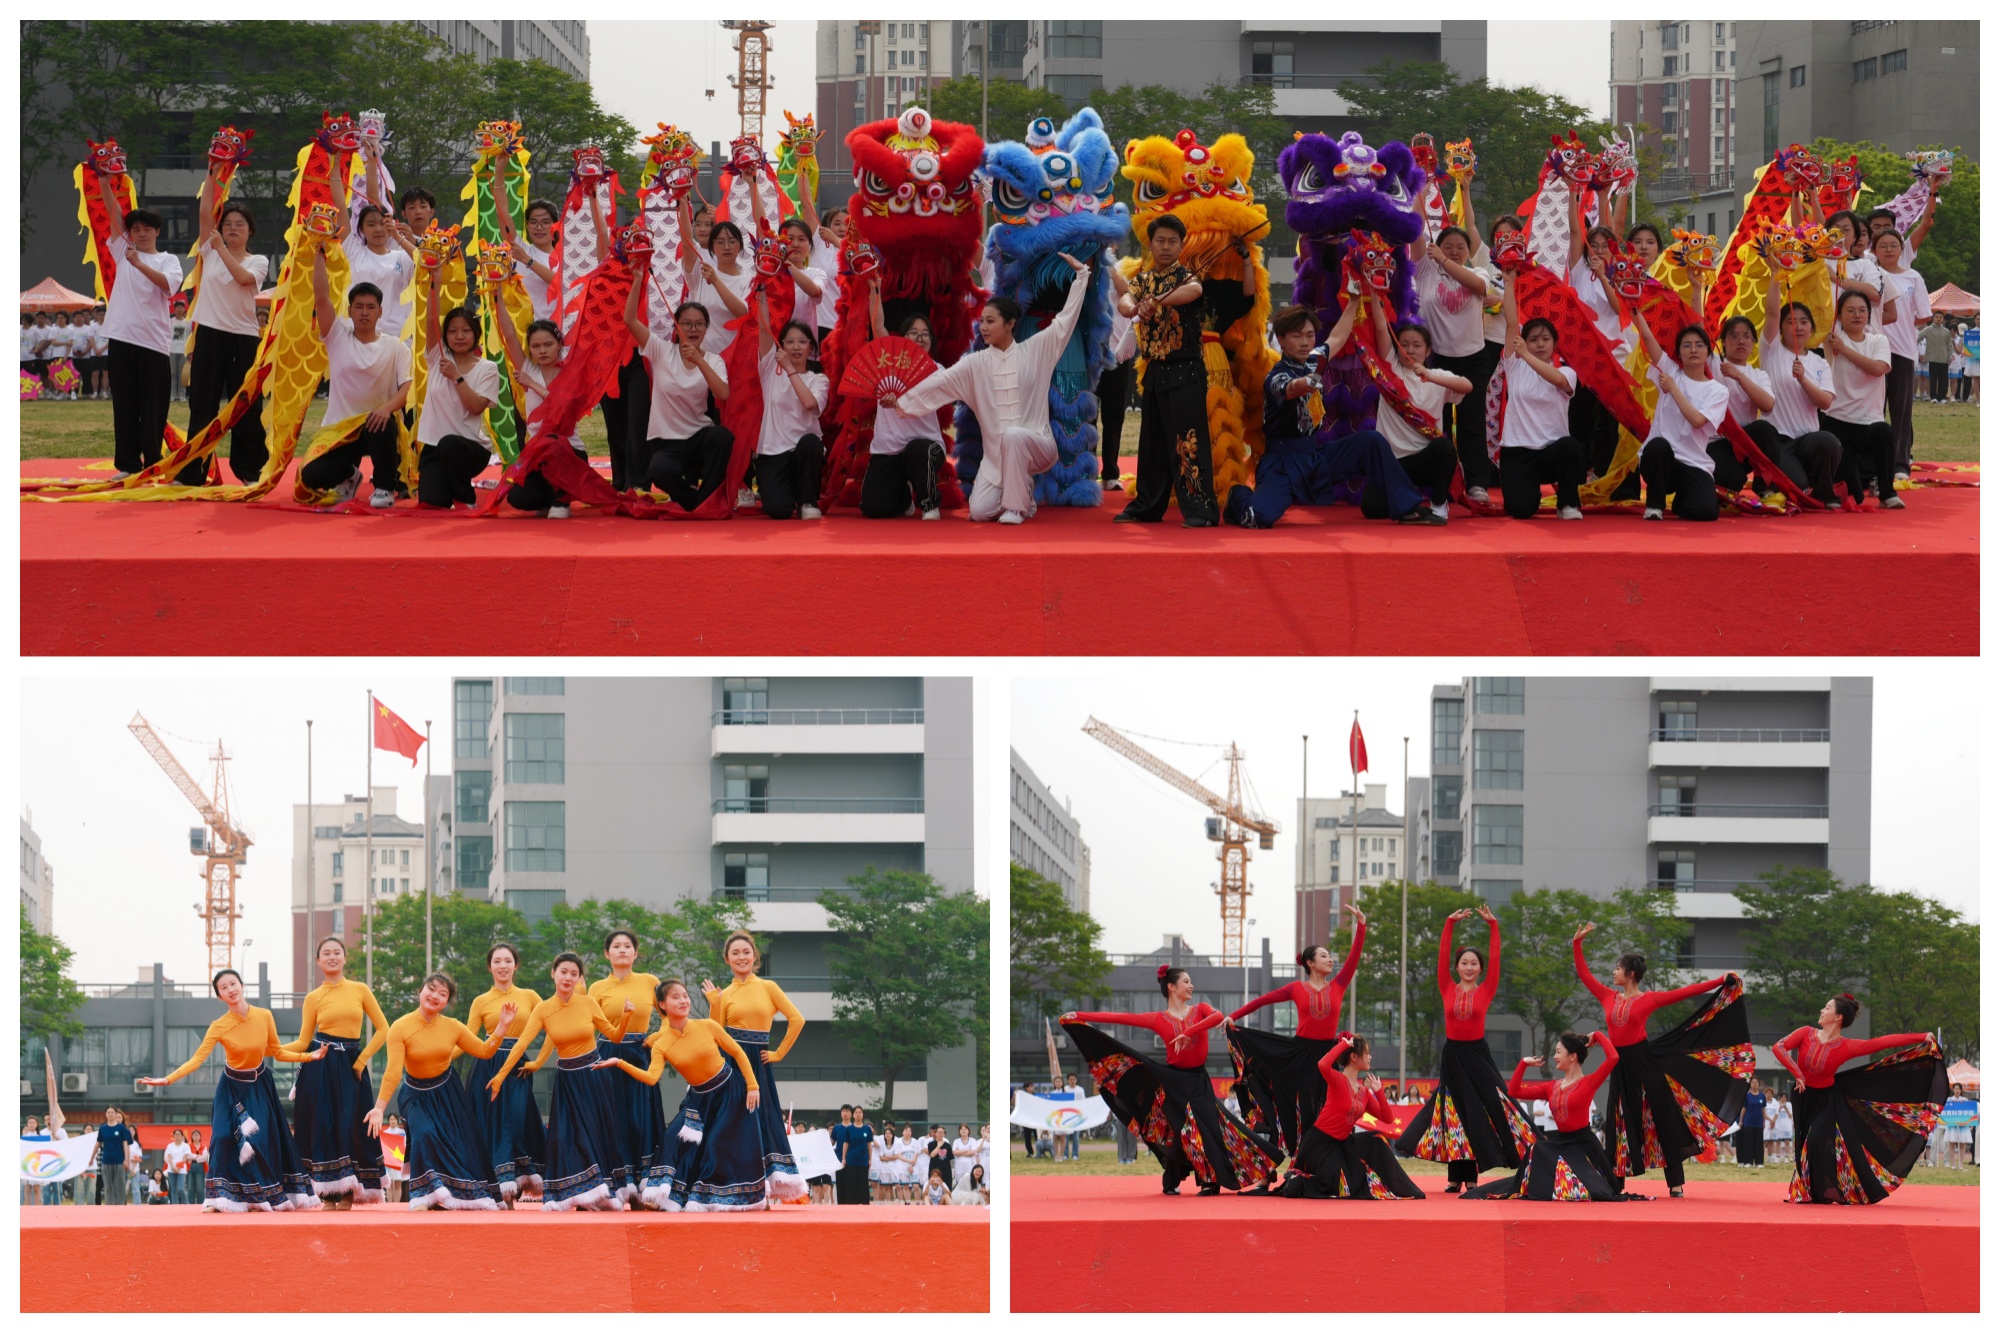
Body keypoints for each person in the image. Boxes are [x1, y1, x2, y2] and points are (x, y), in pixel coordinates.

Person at [883, 253, 1092, 525]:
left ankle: (1015, 508)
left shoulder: (1036, 349)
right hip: (995, 461)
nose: (983, 327)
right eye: (981, 321)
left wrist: (1081, 277)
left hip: (1038, 445)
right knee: (979, 512)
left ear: (1010, 324)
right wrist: (900, 401)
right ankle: (1023, 491)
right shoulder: (975, 364)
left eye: (990, 321)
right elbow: (939, 384)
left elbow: (1065, 321)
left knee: (1014, 435)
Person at [1062, 965, 1280, 1196]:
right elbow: (1120, 1017)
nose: (1191, 986)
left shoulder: (1200, 1009)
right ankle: (1188, 1180)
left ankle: (1212, 1178)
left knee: (1213, 1128)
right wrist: (1079, 1016)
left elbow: (1217, 1017)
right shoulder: (1158, 1019)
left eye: (1190, 982)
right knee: (1182, 1131)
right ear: (1172, 987)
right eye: (1186, 981)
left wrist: (1188, 1032)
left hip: (1198, 1081)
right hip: (1173, 1082)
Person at [1572, 923, 1750, 1197]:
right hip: (1618, 1065)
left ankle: (1675, 1183)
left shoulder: (1648, 999)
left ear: (1630, 974)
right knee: (1619, 1121)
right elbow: (1585, 976)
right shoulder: (1608, 996)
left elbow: (1687, 991)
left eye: (1618, 968)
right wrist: (1577, 944)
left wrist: (1719, 980)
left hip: (1645, 1062)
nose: (1613, 972)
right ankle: (1616, 1183)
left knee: (1662, 1119)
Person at [1224, 301, 1434, 528]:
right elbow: (1292, 388)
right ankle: (1237, 495)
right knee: (1257, 518)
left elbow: (1338, 337)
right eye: (1297, 336)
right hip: (1282, 465)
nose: (1305, 342)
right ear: (1281, 340)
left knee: (1371, 441)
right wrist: (1307, 382)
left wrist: (1353, 300)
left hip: (1315, 456)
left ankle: (1408, 508)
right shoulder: (1276, 376)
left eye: (1309, 335)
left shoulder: (1314, 360)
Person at [136, 968, 325, 1211]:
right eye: (224, 988)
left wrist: (310, 1056)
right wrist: (168, 1079)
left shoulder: (264, 1015)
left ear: (241, 985)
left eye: (233, 984)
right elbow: (197, 1059)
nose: (230, 990)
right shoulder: (219, 1025)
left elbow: (277, 1052)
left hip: (259, 1087)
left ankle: (259, 1195)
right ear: (219, 996)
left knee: (259, 1140)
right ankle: (218, 1199)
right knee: (222, 1138)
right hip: (231, 1088)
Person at [595, 978, 769, 1211]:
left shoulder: (707, 1025)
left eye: (685, 996)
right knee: (671, 1138)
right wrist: (620, 1062)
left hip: (730, 1093)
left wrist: (753, 1085)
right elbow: (651, 1078)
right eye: (675, 997)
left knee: (716, 1145)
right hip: (699, 1099)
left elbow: (737, 1052)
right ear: (662, 1005)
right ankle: (664, 1197)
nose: (683, 1001)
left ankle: (746, 1197)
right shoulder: (662, 1044)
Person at [1397, 905, 1532, 1192]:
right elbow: (1441, 954)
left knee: (1482, 1110)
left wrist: (1494, 926)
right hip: (1453, 1056)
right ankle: (1455, 1177)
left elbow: (1497, 957)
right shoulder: (1446, 987)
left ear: (1480, 969)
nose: (1469, 967)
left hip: (1478, 1056)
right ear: (1456, 967)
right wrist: (1449, 923)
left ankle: (1475, 1175)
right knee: (1453, 1114)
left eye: (1474, 964)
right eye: (1464, 963)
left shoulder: (1486, 989)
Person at [485, 951, 632, 1210]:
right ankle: (574, 1194)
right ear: (553, 974)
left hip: (594, 1076)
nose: (568, 977)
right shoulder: (543, 1009)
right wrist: (500, 1075)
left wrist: (626, 1017)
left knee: (595, 1134)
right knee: (564, 1138)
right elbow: (521, 1045)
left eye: (574, 974)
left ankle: (601, 1193)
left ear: (579, 978)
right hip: (567, 1082)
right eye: (563, 972)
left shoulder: (588, 1003)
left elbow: (614, 1036)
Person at [1114, 215, 1234, 526]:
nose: (1166, 247)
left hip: (1186, 371)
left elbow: (1193, 292)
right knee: (1152, 444)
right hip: (1155, 372)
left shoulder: (1187, 276)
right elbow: (1125, 302)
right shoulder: (1142, 280)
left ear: (1181, 246)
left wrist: (1156, 300)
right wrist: (1136, 307)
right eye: (1160, 241)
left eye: (1172, 241)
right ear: (1150, 244)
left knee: (1188, 442)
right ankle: (1147, 506)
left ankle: (1200, 510)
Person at [1226, 904, 1369, 1165]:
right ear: (1310, 963)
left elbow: (1354, 958)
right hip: (1299, 1054)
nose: (1330, 960)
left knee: (1328, 1107)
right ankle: (1297, 1160)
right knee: (1300, 1109)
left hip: (1328, 1055)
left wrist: (1361, 926)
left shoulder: (1338, 985)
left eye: (1330, 956)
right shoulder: (1296, 988)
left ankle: (1326, 1162)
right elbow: (1263, 1000)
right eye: (1324, 956)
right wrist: (1234, 1016)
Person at [1770, 994, 1943, 1205]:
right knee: (1803, 1144)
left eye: (1827, 1008)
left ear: (1838, 1017)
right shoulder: (1805, 1033)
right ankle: (1812, 1191)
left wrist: (1922, 1036)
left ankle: (1825, 1190)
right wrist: (1797, 1073)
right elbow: (1778, 1047)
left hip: (1827, 1101)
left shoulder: (1846, 1046)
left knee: (1815, 1141)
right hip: (1802, 1096)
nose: (1822, 1011)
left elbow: (1882, 1042)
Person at [365, 972, 512, 1210]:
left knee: (457, 1144)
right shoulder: (400, 1027)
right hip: (415, 1095)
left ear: (446, 1003)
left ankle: (449, 1195)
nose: (435, 996)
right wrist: (379, 1107)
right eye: (431, 989)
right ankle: (422, 1196)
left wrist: (502, 1027)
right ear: (420, 991)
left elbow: (485, 1051)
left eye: (442, 994)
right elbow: (392, 1072)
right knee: (424, 1133)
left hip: (447, 1092)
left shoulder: (453, 1027)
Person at [280, 937, 392, 1207]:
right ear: (318, 961)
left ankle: (349, 1191)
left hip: (352, 1066)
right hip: (320, 1066)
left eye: (337, 952)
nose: (332, 957)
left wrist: (361, 1061)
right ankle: (328, 1194)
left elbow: (383, 1029)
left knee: (350, 1125)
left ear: (344, 958)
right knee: (322, 1126)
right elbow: (303, 1041)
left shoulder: (360, 989)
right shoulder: (313, 997)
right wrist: (273, 1049)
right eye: (326, 953)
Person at [1462, 1031, 1636, 1202]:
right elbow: (1514, 1091)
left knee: (1593, 1189)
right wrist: (1523, 1064)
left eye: (1558, 1052)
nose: (1554, 1056)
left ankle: (1570, 1185)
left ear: (1572, 1056)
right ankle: (1558, 1186)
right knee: (1537, 1149)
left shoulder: (1588, 1082)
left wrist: (1597, 1035)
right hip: (1561, 1143)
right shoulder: (1551, 1087)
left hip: (1583, 1147)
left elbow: (1613, 1057)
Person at [701, 929, 808, 1202]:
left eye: (746, 952)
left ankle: (764, 1188)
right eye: (735, 953)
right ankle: (734, 1186)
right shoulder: (724, 994)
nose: (741, 957)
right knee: (733, 1122)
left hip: (759, 1063)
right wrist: (714, 1005)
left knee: (762, 1119)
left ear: (755, 956)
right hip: (733, 1064)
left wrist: (778, 1053)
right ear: (727, 959)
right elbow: (715, 1034)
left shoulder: (768, 987)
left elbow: (797, 1019)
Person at [300, 247, 413, 501]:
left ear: (380, 312)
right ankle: (349, 476)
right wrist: (319, 251)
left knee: (383, 423)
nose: (364, 312)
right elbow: (321, 297)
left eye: (371, 307)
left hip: (378, 427)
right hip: (340, 430)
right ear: (349, 311)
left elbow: (407, 387)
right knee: (311, 475)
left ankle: (384, 488)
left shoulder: (395, 346)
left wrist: (387, 409)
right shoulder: (337, 337)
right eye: (359, 307)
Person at [94, 180, 183, 478]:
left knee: (153, 407)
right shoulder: (123, 250)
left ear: (157, 231)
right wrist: (104, 180)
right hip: (121, 338)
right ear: (129, 234)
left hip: (154, 344)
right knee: (125, 406)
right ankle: (127, 465)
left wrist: (139, 264)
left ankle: (152, 462)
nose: (141, 234)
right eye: (135, 229)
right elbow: (113, 211)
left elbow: (168, 286)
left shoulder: (168, 260)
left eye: (146, 229)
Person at [622, 285, 734, 513]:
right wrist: (637, 280)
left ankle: (707, 500)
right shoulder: (661, 351)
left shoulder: (713, 360)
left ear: (706, 329)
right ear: (676, 327)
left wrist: (700, 361)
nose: (693, 329)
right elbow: (630, 320)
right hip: (667, 441)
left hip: (699, 436)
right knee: (659, 471)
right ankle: (694, 502)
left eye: (699, 324)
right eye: (687, 324)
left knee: (722, 437)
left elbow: (723, 394)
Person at [186, 185, 269, 484]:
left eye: (239, 225)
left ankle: (250, 472)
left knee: (245, 406)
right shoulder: (209, 250)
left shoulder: (258, 261)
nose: (233, 229)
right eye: (228, 224)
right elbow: (204, 211)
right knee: (203, 404)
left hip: (243, 338)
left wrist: (221, 248)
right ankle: (192, 471)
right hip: (209, 334)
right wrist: (212, 170)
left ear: (250, 231)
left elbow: (244, 279)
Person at [1360, 300, 1468, 523]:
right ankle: (1409, 501)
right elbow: (1381, 328)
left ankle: (1438, 504)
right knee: (1372, 508)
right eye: (1404, 345)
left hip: (1424, 460)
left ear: (1427, 351)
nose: (1410, 350)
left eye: (1417, 345)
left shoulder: (1437, 377)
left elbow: (1468, 386)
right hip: (1393, 462)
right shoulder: (1390, 371)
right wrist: (1373, 290)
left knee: (1445, 448)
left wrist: (1430, 376)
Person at [1283, 1032, 1425, 1200]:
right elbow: (1323, 1064)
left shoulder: (1364, 1092)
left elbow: (1388, 1119)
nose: (1370, 1057)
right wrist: (1344, 1044)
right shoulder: (1338, 1080)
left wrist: (1379, 1092)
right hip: (1319, 1144)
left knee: (1377, 1139)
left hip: (1341, 1144)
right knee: (1336, 1186)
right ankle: (1299, 1181)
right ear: (1354, 1057)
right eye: (1367, 1052)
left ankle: (1400, 1188)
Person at [1414, 226, 1497, 496]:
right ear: (1435, 247)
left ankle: (1476, 483)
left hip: (1474, 360)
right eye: (1448, 246)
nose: (1454, 251)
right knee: (1438, 423)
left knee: (1472, 423)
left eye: (1461, 247)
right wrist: (1418, 193)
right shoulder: (1425, 270)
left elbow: (1479, 288)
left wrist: (1444, 259)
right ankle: (1443, 484)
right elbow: (1415, 227)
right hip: (1437, 358)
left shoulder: (1478, 272)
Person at [1749, 274, 1844, 505]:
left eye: (1803, 322)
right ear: (1781, 329)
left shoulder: (1819, 362)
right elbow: (1772, 312)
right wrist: (1776, 274)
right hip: (1780, 441)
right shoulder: (1772, 351)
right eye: (1791, 322)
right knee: (1796, 487)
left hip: (1807, 439)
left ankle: (1823, 493)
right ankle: (1778, 481)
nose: (1798, 327)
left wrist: (1804, 381)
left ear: (1811, 328)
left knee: (1829, 442)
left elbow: (1825, 402)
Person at [464, 942, 547, 1205]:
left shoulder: (530, 996)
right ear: (489, 967)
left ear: (516, 965)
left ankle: (517, 1181)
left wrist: (538, 1062)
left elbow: (554, 1026)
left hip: (518, 1068)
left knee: (517, 1123)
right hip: (487, 1067)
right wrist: (439, 1055)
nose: (503, 966)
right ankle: (502, 1191)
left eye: (508, 961)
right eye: (497, 961)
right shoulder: (480, 1001)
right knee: (491, 1127)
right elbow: (467, 1039)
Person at [857, 276, 947, 518]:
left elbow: (930, 399)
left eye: (925, 334)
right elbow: (878, 326)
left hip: (924, 447)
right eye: (913, 333)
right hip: (888, 449)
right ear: (902, 338)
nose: (920, 338)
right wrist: (875, 290)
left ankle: (929, 504)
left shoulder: (937, 370)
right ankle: (904, 495)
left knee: (918, 450)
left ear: (931, 341)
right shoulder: (887, 364)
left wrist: (900, 403)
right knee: (873, 508)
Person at [1495, 278, 1585, 520]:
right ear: (1524, 342)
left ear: (1555, 344)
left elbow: (1558, 381)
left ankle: (1568, 503)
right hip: (1517, 451)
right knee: (1521, 510)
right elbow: (1511, 324)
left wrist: (1526, 354)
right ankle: (1528, 489)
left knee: (1571, 447)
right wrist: (1509, 282)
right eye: (1533, 340)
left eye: (1545, 339)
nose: (1540, 344)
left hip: (1551, 451)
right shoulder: (1515, 365)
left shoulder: (1567, 372)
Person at [408, 283, 499, 511]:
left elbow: (476, 407)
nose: (459, 336)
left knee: (450, 444)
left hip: (469, 448)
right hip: (434, 447)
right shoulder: (437, 357)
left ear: (476, 334)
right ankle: (448, 487)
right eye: (452, 331)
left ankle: (465, 497)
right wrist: (435, 280)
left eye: (466, 331)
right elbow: (431, 319)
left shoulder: (487, 368)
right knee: (432, 501)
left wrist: (456, 377)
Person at [587, 928, 661, 1208]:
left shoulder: (650, 982)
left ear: (636, 952)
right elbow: (588, 1026)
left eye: (627, 946)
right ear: (606, 953)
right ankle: (612, 1189)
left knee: (640, 1119)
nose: (622, 950)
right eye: (616, 946)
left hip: (639, 1054)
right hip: (607, 1055)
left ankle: (643, 1191)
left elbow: (670, 1015)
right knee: (611, 1120)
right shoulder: (597, 988)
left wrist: (655, 1037)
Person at [1632, 317, 1728, 522]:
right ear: (1679, 353)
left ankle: (1682, 501)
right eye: (1687, 345)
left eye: (1699, 345)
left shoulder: (1717, 390)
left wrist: (1673, 389)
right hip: (1662, 460)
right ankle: (1654, 505)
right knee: (1658, 446)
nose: (1693, 349)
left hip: (1693, 462)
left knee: (1705, 512)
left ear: (1708, 352)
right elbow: (1648, 338)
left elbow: (1697, 420)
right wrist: (1635, 311)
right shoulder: (1671, 372)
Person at [1566, 197, 1634, 482]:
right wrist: (1573, 191)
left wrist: (1604, 275)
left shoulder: (1620, 275)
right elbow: (1575, 230)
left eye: (1606, 246)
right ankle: (1577, 475)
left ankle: (1607, 475)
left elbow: (1619, 310)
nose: (1599, 250)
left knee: (1609, 421)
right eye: (1594, 245)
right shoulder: (1579, 270)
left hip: (1614, 358)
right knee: (1580, 417)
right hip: (1583, 357)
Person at [751, 292, 830, 520]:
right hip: (772, 452)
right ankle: (789, 493)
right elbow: (764, 328)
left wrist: (790, 369)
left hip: (803, 451)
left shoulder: (818, 380)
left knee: (810, 442)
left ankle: (808, 501)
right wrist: (762, 293)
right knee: (778, 510)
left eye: (802, 342)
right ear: (781, 345)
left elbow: (810, 404)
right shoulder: (770, 368)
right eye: (790, 342)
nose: (796, 347)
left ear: (811, 347)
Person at [1821, 290, 1902, 509]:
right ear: (1839, 315)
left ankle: (1887, 493)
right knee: (1854, 498)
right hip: (1838, 422)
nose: (1857, 315)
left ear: (1868, 314)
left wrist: (1844, 350)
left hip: (1869, 422)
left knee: (1885, 432)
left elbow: (1878, 369)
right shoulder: (1831, 338)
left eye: (1862, 310)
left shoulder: (1878, 340)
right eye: (1850, 310)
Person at [1870, 228, 1924, 478]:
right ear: (1874, 250)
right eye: (1883, 245)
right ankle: (1873, 463)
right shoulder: (1868, 274)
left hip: (1903, 351)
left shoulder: (1913, 278)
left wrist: (1903, 327)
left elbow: (1923, 315)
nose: (1889, 249)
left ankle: (1900, 463)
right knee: (1873, 409)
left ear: (1902, 250)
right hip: (1872, 350)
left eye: (1894, 245)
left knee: (1901, 411)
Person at [1098, 249, 1136, 491]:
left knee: (1114, 417)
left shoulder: (1126, 268)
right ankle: (1086, 472)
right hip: (1090, 355)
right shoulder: (1086, 267)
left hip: (1117, 355)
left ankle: (1110, 474)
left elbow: (1129, 293)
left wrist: (1110, 266)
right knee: (1087, 418)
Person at [93, 1106, 137, 1207]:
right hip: (106, 1161)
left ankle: (120, 1206)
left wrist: (126, 1160)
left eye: (112, 1113)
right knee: (108, 1186)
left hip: (119, 1161)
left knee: (119, 1186)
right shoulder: (103, 1129)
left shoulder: (122, 1129)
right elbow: (98, 1143)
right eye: (108, 1112)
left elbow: (126, 1145)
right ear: (105, 1114)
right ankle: (109, 1206)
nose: (110, 1115)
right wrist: (91, 1157)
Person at [832, 1104, 870, 1205]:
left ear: (851, 1114)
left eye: (848, 1111)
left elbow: (868, 1144)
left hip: (852, 1160)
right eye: (843, 1111)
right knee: (841, 1184)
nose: (845, 1113)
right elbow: (831, 1143)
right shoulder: (836, 1128)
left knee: (853, 1184)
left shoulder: (855, 1128)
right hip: (840, 1160)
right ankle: (841, 1205)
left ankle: (854, 1204)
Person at [1921, 312, 1954, 403]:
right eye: (1937, 317)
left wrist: (1949, 356)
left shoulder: (1946, 331)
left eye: (1940, 317)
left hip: (1943, 359)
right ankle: (1933, 397)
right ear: (1933, 318)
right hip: (1932, 359)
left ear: (1943, 319)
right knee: (1933, 379)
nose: (1938, 319)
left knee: (1943, 380)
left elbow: (1949, 346)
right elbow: (1918, 338)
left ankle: (1942, 397)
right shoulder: (1928, 330)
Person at [1736, 1075, 1767, 1168]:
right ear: (1750, 1084)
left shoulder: (1762, 1096)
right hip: (1748, 1122)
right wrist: (1741, 1121)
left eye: (1756, 1082)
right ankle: (1748, 1162)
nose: (1754, 1084)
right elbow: (1744, 1109)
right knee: (1748, 1142)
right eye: (1753, 1082)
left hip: (1758, 1122)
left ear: (1759, 1084)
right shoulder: (1747, 1096)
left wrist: (1764, 1121)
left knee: (1758, 1143)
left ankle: (1759, 1162)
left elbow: (1763, 1109)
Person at [163, 1128, 193, 1204]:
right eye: (175, 1134)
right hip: (171, 1169)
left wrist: (178, 1167)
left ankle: (186, 1203)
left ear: (182, 1136)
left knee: (180, 1189)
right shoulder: (170, 1146)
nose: (177, 1136)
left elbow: (185, 1158)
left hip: (181, 1170)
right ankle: (175, 1205)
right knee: (173, 1189)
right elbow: (169, 1157)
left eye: (178, 1134)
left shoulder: (185, 1146)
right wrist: (173, 1167)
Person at [952, 1123, 979, 1190]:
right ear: (959, 1131)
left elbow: (973, 1152)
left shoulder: (972, 1140)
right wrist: (967, 1150)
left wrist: (960, 1152)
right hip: (959, 1168)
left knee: (969, 1184)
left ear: (968, 1131)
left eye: (965, 1129)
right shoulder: (956, 1141)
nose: (963, 1131)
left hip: (970, 1167)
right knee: (960, 1185)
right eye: (961, 1129)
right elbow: (955, 1152)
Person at [187, 1129, 207, 1205]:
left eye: (197, 1135)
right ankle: (190, 1203)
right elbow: (188, 1156)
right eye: (194, 1135)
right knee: (190, 1186)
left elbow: (205, 1157)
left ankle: (200, 1203)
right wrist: (197, 1156)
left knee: (200, 1186)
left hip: (200, 1166)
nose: (196, 1137)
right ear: (192, 1137)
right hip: (190, 1166)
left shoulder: (203, 1146)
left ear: (200, 1137)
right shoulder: (188, 1146)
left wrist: (195, 1158)